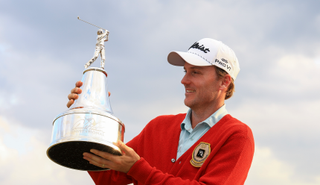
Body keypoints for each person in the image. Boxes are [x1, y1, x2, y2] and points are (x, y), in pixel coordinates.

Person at [67, 38, 254, 185]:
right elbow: (107, 177)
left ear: (224, 82)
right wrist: (88, 115)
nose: (184, 80)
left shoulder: (237, 135)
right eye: (185, 71)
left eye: (195, 72)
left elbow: (136, 169)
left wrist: (138, 169)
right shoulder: (158, 126)